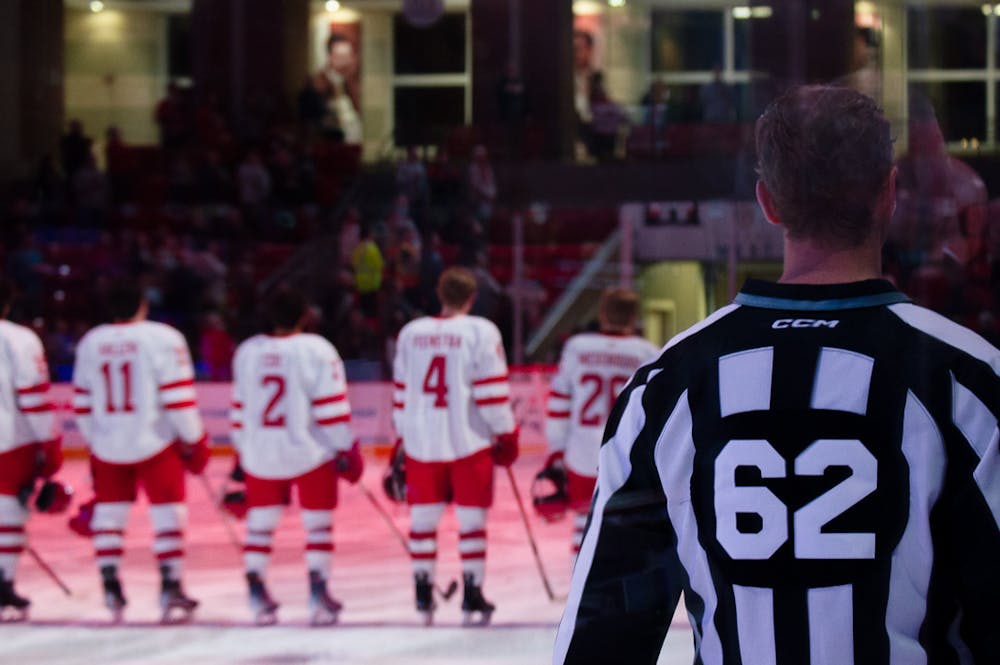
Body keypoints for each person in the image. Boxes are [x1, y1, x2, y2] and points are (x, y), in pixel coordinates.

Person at [555, 85, 1000, 663]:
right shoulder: (968, 379)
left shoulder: (667, 388)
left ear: (767, 203)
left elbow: (599, 641)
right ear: (890, 193)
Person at [72, 282, 209, 623]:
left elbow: (83, 402)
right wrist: (194, 438)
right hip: (155, 441)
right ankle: (170, 584)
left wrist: (95, 441)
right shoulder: (163, 338)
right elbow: (177, 397)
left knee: (110, 518)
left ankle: (110, 585)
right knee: (168, 515)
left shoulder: (92, 341)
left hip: (108, 443)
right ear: (142, 305)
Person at [391, 267, 519, 626]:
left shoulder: (410, 333)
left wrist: (402, 436)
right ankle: (472, 592)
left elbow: (401, 392)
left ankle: (421, 591)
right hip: (469, 440)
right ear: (472, 297)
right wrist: (505, 433)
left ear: (439, 292)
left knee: (422, 522)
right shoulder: (480, 331)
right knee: (472, 522)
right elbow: (491, 392)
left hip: (421, 442)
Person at [229, 289, 362, 626]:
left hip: (261, 451)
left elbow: (239, 410)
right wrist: (347, 447)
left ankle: (255, 589)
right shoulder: (317, 350)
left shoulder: (247, 352)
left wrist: (242, 455)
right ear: (305, 315)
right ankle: (318, 592)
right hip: (310, 451)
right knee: (317, 524)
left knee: (260, 526)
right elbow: (331, 411)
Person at [541, 289, 658, 556]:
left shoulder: (577, 347)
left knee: (583, 524)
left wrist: (556, 452)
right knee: (625, 529)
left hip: (581, 453)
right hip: (625, 454)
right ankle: (618, 594)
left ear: (602, 313)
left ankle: (581, 592)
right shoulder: (647, 353)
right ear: (634, 316)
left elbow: (559, 403)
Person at [0, 279, 62, 620]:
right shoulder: (18, 338)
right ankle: (3, 581)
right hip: (8, 439)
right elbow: (34, 397)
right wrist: (49, 444)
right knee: (8, 514)